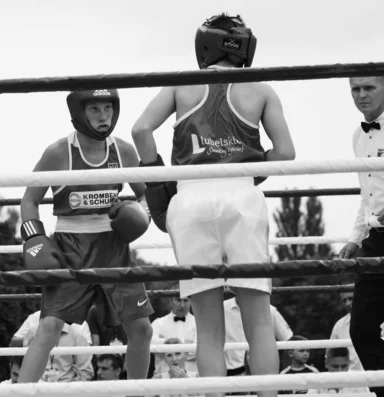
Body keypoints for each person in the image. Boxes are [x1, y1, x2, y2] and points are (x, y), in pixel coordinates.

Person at [131, 13, 295, 397]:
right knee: (257, 317)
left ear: (205, 45)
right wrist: (243, 171)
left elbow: (140, 130)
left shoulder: (180, 85)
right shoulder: (261, 90)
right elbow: (286, 152)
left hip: (189, 200)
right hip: (242, 196)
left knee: (208, 326)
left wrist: (158, 182)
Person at [18, 89, 154, 383]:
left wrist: (142, 215)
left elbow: (149, 197)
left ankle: (136, 393)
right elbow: (29, 200)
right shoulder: (58, 153)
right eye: (94, 109)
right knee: (50, 327)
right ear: (80, 112)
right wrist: (33, 239)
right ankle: (21, 394)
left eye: (108, 107)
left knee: (142, 329)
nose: (103, 116)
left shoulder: (124, 151)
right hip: (70, 246)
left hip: (114, 245)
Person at [339, 75, 384, 397]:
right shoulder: (358, 135)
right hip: (377, 237)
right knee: (362, 329)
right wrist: (355, 237)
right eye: (356, 88)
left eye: (369, 87)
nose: (361, 94)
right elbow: (367, 195)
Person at [224, 293, 293, 376]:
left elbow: (288, 340)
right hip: (230, 372)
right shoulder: (221, 308)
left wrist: (287, 371)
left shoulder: (270, 310)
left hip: (261, 371)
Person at [151, 292, 197, 374]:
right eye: (178, 300)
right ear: (170, 300)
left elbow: (201, 350)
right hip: (162, 377)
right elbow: (151, 346)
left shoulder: (199, 324)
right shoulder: (158, 323)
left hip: (192, 377)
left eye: (185, 301)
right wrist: (185, 347)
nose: (182, 305)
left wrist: (166, 348)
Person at [10, 310, 92, 347]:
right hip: (35, 377)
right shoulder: (35, 318)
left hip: (67, 379)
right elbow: (13, 344)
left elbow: (87, 355)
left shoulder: (79, 323)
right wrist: (32, 338)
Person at [329, 290, 363, 371]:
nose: (347, 303)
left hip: (377, 377)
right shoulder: (339, 325)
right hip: (349, 379)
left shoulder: (379, 321)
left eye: (351, 299)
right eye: (344, 300)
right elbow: (330, 355)